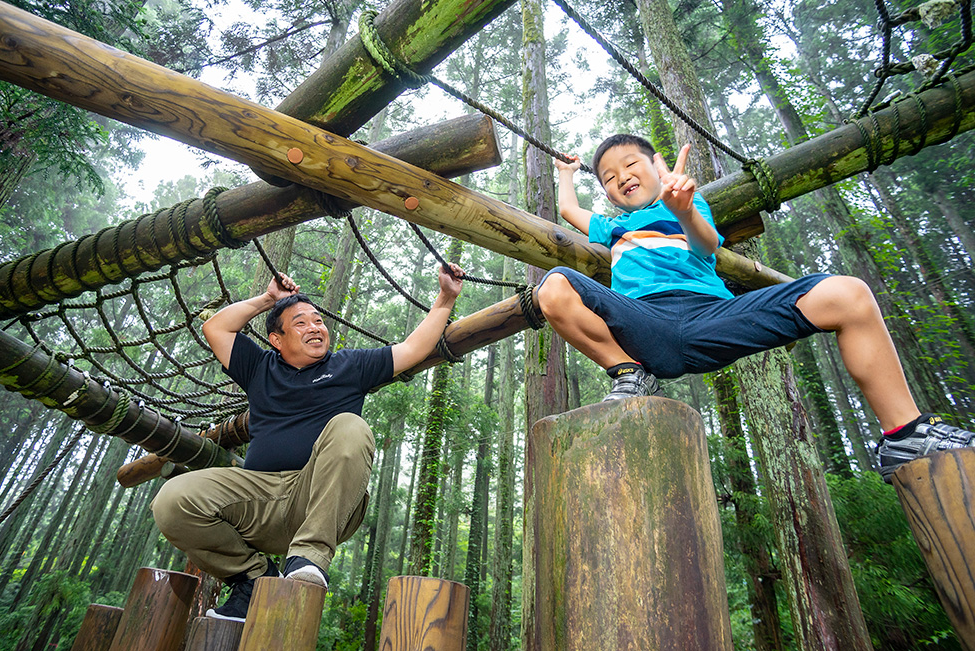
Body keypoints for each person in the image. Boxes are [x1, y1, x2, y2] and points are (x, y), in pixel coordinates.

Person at [537, 133, 973, 481]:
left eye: (630, 164)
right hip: (644, 323)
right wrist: (566, 172)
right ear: (610, 197)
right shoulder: (612, 226)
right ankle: (630, 373)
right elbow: (567, 208)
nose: (620, 177)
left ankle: (905, 434)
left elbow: (705, 246)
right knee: (553, 287)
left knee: (849, 294)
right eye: (609, 178)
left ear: (657, 166)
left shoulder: (688, 202)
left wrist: (684, 210)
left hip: (711, 316)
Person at [152, 263, 465, 622]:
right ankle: (253, 579)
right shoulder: (259, 367)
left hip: (321, 497)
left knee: (351, 426)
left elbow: (413, 349)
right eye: (300, 322)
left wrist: (445, 298)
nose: (315, 327)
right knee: (172, 501)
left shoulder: (350, 366)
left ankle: (309, 559)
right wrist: (269, 298)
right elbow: (216, 327)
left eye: (317, 320)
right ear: (277, 340)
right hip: (257, 502)